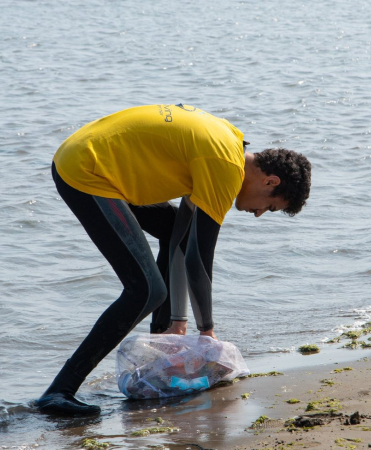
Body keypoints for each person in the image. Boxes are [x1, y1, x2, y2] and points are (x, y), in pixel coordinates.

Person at [35, 103, 311, 416]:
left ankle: (159, 356)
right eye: (270, 208)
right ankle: (59, 391)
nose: (259, 214)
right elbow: (198, 257)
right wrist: (206, 331)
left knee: (168, 231)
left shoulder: (228, 145)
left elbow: (180, 237)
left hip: (91, 160)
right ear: (270, 182)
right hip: (86, 170)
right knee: (146, 290)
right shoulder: (226, 167)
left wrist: (178, 324)